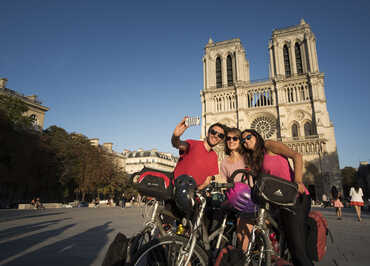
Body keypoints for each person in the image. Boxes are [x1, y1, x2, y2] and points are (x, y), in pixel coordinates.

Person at [241, 129, 313, 266]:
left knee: (298, 252)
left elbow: (297, 156)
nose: (246, 141)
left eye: (248, 137)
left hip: (295, 199)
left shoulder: (268, 145)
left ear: (256, 136)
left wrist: (297, 181)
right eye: (243, 140)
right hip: (278, 202)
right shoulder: (255, 159)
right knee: (283, 245)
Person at [220, 127, 254, 251]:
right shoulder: (224, 162)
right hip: (236, 200)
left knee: (247, 231)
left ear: (240, 141)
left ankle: (245, 258)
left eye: (235, 138)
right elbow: (225, 183)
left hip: (250, 198)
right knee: (239, 233)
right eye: (228, 138)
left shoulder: (247, 157)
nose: (231, 141)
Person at [172, 117, 225, 189]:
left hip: (191, 195)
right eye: (213, 132)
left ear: (221, 140)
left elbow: (207, 181)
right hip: (176, 188)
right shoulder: (193, 144)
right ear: (207, 133)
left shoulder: (214, 156)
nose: (216, 136)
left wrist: (196, 192)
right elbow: (177, 144)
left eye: (220, 135)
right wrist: (176, 136)